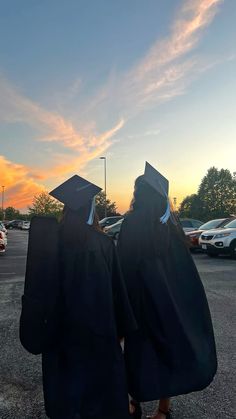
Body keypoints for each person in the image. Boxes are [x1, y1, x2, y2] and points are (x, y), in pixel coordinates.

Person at [20, 174, 137, 419]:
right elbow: (117, 291)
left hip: (61, 335)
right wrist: (123, 327)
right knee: (100, 397)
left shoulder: (51, 243)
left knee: (66, 395)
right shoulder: (103, 244)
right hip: (99, 335)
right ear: (91, 208)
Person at [118, 162, 217, 419]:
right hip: (168, 302)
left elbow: (124, 266)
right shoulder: (171, 226)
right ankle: (163, 410)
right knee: (167, 350)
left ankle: (134, 402)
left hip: (140, 302)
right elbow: (183, 270)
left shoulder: (131, 224)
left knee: (138, 352)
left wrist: (121, 305)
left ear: (138, 195)